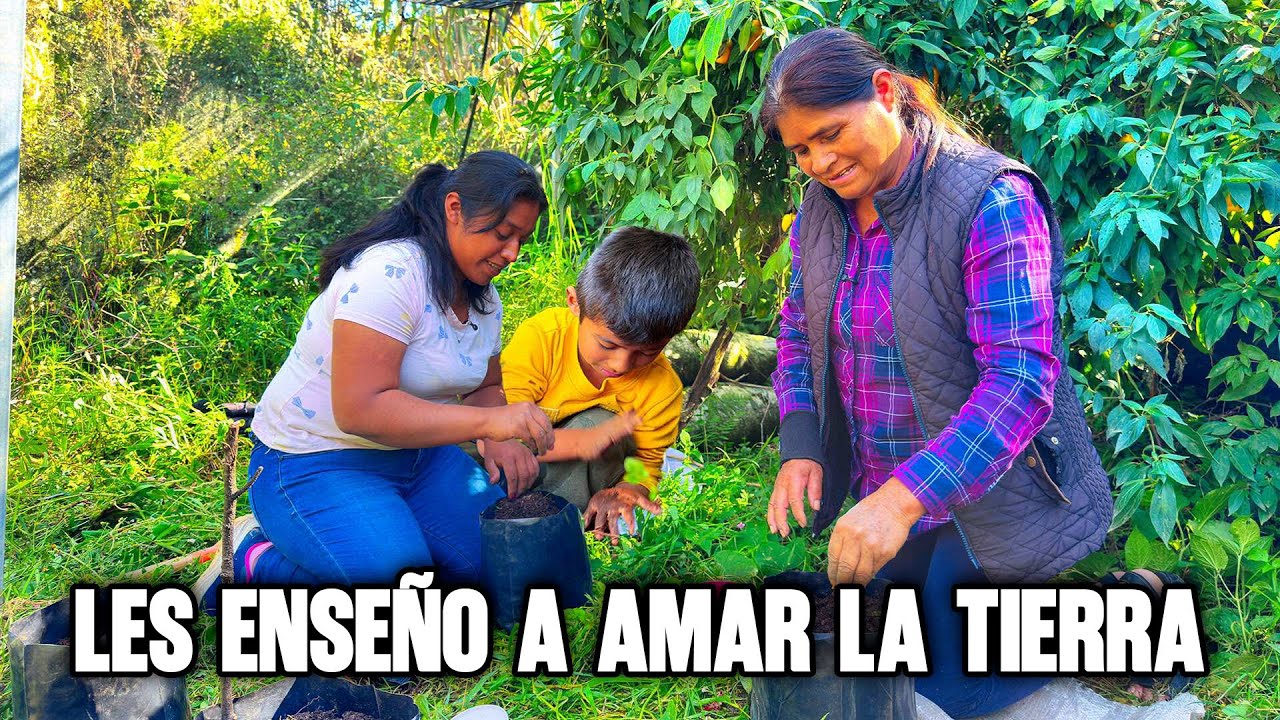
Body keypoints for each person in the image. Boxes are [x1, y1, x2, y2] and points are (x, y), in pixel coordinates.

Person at [760, 29, 1114, 717]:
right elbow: (796, 332)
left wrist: (902, 499)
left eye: (831, 134)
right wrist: (800, 447)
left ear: (885, 92)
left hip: (986, 507)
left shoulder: (991, 198)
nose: (821, 161)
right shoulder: (819, 211)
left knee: (936, 686)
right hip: (884, 497)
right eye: (801, 150)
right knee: (848, 661)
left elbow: (1020, 382)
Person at [195, 150, 555, 612]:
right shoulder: (390, 275)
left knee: (507, 578)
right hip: (315, 460)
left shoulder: (484, 298)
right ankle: (254, 559)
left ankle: (380, 534)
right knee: (406, 618)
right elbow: (360, 409)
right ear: (453, 209)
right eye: (503, 235)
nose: (512, 254)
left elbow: (484, 386)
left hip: (417, 458)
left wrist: (500, 435)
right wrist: (490, 426)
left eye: (521, 239)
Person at [500, 227, 700, 543]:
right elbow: (501, 435)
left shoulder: (662, 388)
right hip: (509, 465)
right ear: (574, 302)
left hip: (573, 486)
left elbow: (645, 468)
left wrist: (624, 491)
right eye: (607, 345)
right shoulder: (541, 339)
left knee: (601, 424)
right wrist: (583, 441)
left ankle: (561, 528)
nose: (620, 365)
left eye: (647, 352)